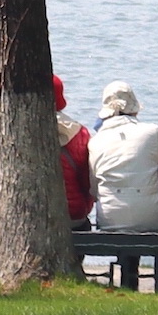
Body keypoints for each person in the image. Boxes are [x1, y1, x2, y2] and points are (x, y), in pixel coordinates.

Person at [88, 84, 158, 236]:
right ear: (135, 108)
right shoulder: (151, 132)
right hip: (154, 216)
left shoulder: (95, 141)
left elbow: (94, 190)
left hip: (110, 219)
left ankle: (127, 260)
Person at [53, 75, 93, 231]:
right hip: (74, 215)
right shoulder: (80, 132)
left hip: (31, 214)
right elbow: (87, 178)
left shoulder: (21, 129)